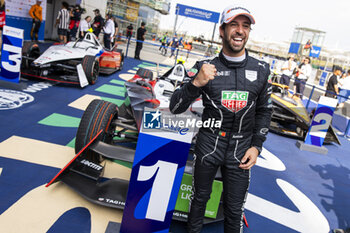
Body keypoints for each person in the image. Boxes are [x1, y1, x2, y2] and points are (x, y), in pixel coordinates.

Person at [170, 5, 272, 233]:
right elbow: (175, 107)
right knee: (198, 201)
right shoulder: (204, 67)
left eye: (245, 26)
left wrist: (256, 147)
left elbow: (265, 112)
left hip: (242, 149)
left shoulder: (262, 70)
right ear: (222, 31)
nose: (240, 31)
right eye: (234, 24)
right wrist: (195, 82)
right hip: (209, 144)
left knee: (235, 210)